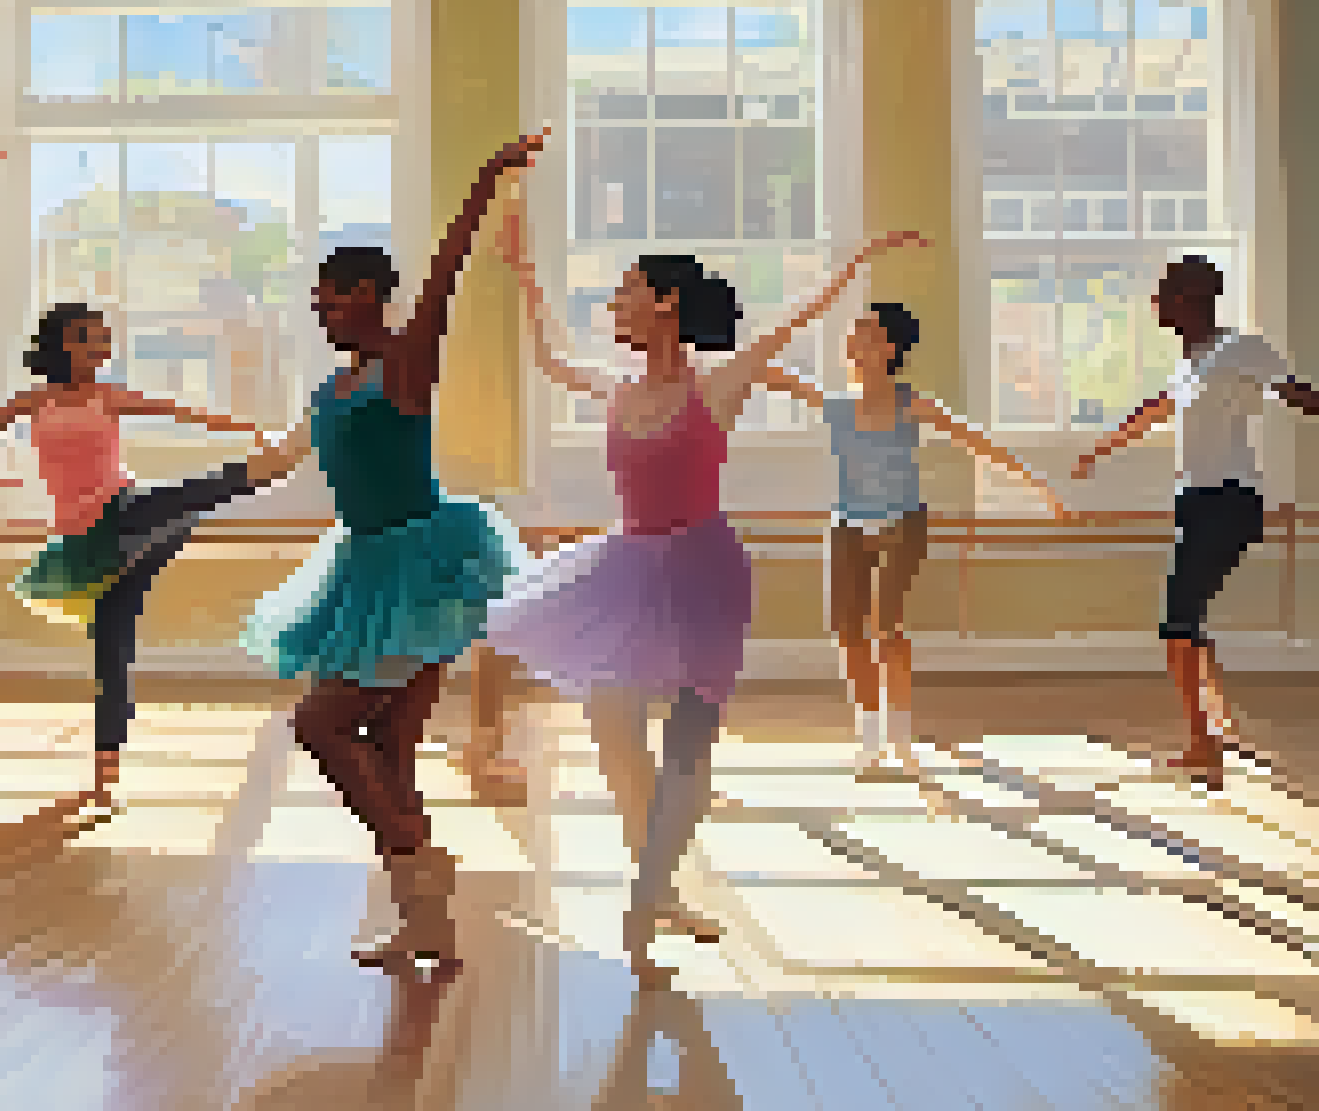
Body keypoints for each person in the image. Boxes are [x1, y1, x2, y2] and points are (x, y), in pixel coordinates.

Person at [489, 171, 925, 984]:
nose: (615, 307)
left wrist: (856, 263)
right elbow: (550, 360)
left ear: (665, 305)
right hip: (625, 568)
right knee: (617, 741)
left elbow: (795, 323)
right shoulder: (617, 391)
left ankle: (653, 892)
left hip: (702, 577)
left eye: (626, 295)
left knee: (688, 760)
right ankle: (654, 891)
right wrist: (522, 273)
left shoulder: (715, 386)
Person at [226, 136, 547, 980]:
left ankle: (418, 858)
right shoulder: (327, 389)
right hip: (364, 569)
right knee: (391, 750)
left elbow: (444, 278)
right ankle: (426, 923)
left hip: (424, 565)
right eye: (317, 298)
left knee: (320, 722)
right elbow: (275, 463)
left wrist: (482, 180)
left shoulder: (404, 364)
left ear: (367, 292)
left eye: (330, 296)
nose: (319, 309)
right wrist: (167, 505)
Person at [0, 305, 264, 804]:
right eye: (87, 339)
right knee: (112, 648)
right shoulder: (33, 401)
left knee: (179, 500)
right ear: (59, 345)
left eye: (102, 340)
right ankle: (106, 772)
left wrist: (246, 427)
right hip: (81, 540)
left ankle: (255, 469)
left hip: (124, 513)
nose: (99, 349)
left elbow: (181, 412)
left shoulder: (109, 396)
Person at [757, 302, 1064, 778]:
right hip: (848, 524)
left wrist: (1037, 483)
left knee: (887, 626)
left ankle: (898, 732)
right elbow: (767, 373)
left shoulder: (910, 403)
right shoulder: (836, 406)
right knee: (847, 630)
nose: (853, 343)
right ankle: (870, 732)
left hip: (903, 521)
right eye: (852, 336)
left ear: (889, 349)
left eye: (865, 335)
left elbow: (975, 441)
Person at [1071, 257, 1319, 787]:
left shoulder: (1240, 349)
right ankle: (1217, 724)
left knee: (1176, 623)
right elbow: (1155, 410)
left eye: (1163, 294)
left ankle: (1202, 743)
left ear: (1190, 298)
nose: (1156, 303)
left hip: (1230, 500)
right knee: (1189, 618)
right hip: (1195, 500)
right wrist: (1101, 449)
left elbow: (1300, 393)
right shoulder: (1190, 364)